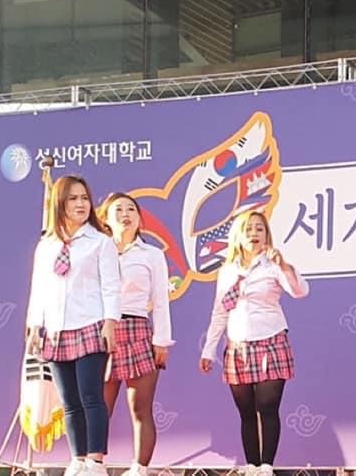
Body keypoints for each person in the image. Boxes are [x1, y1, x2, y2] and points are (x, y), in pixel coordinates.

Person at [199, 211, 309, 476]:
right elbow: (219, 312)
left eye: (259, 229)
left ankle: (267, 466)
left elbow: (300, 291)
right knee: (246, 411)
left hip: (271, 341)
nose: (254, 234)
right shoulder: (227, 271)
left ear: (266, 234)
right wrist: (208, 350)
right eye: (248, 229)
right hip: (238, 346)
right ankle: (251, 465)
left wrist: (284, 266)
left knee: (268, 407)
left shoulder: (273, 266)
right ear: (238, 235)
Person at [26, 176, 121, 476]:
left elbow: (111, 286)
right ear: (59, 203)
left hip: (91, 324)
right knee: (69, 402)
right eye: (73, 198)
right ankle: (78, 459)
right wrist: (34, 325)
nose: (81, 204)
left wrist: (110, 322)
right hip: (56, 330)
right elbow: (39, 288)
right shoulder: (46, 246)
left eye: (84, 198)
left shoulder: (101, 242)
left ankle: (95, 461)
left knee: (91, 396)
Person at [99, 193, 174, 476]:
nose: (125, 214)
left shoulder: (152, 254)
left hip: (138, 329)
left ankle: (139, 469)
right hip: (102, 332)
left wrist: (161, 342)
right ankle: (94, 464)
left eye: (131, 209)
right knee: (98, 407)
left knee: (140, 407)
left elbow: (161, 300)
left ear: (139, 218)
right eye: (118, 209)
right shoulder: (97, 250)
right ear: (106, 218)